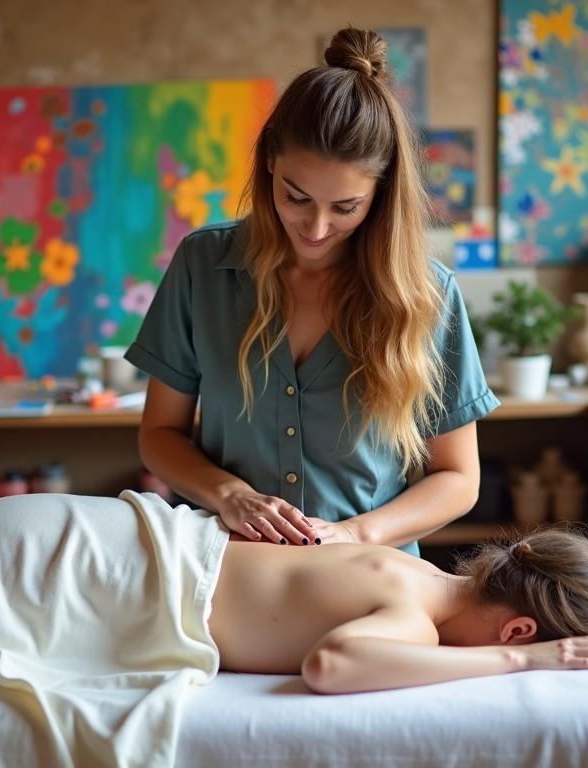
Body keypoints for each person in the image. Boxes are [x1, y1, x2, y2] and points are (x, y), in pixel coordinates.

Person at [126, 27, 499, 555]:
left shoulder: (428, 295)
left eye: (345, 207)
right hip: (228, 570)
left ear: (382, 191)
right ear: (270, 161)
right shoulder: (202, 265)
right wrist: (229, 494)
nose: (316, 227)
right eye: (295, 197)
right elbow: (159, 435)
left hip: (368, 572)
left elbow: (459, 478)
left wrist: (354, 533)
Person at [0, 492, 588, 695]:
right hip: (47, 576)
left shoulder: (403, 569)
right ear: (519, 619)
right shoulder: (411, 617)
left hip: (59, 536)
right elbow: (332, 666)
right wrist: (526, 661)